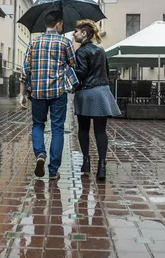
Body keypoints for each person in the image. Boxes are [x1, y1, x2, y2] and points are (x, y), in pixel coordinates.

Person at [19, 12, 78, 181]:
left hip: (37, 91)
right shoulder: (65, 42)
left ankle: (40, 154)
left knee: (38, 124)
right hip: (58, 91)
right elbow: (73, 64)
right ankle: (53, 170)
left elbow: (25, 70)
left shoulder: (34, 43)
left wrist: (21, 94)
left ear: (46, 24)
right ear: (58, 24)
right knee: (57, 128)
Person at [72, 20, 121, 181]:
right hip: (102, 93)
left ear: (84, 34)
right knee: (101, 131)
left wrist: (69, 66)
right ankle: (102, 166)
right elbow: (106, 72)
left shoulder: (81, 51)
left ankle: (86, 163)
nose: (74, 34)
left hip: (86, 93)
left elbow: (81, 73)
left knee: (84, 129)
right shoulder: (101, 50)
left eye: (76, 31)